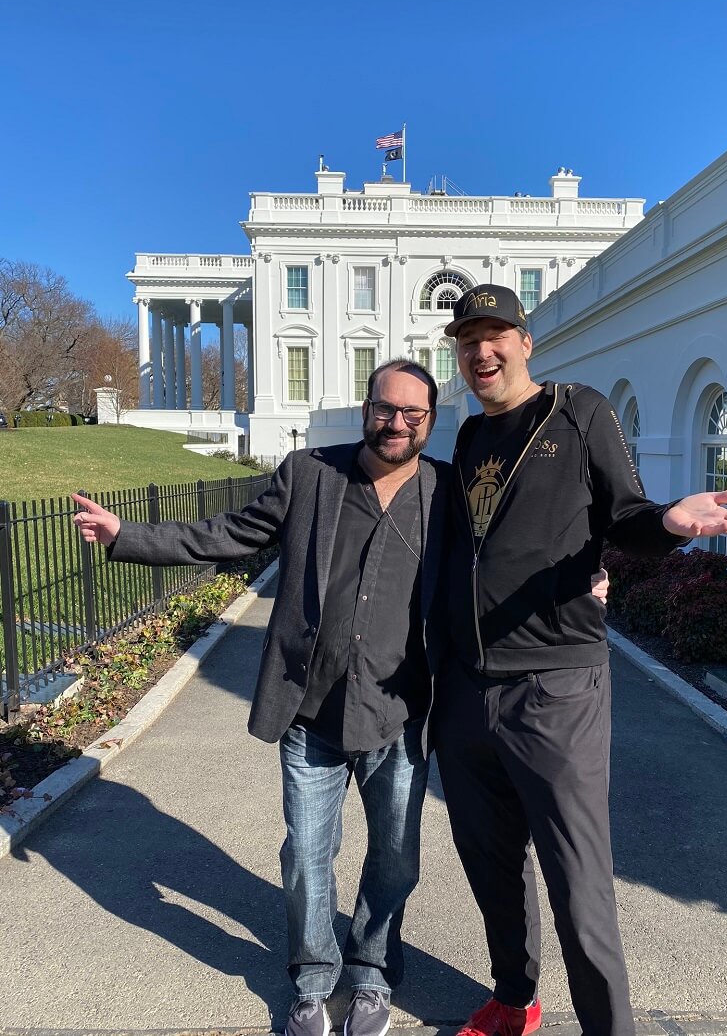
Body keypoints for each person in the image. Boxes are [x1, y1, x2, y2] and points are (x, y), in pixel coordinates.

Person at [72, 359, 450, 1036]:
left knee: (395, 856)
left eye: (411, 414)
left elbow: (507, 563)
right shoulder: (311, 474)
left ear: (429, 421)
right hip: (311, 711)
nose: (395, 423)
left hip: (400, 715)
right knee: (306, 855)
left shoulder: (446, 495)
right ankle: (311, 980)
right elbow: (229, 534)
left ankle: (371, 972)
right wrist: (127, 536)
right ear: (367, 407)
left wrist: (587, 579)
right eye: (385, 409)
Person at [433, 284, 727, 1036]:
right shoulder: (468, 437)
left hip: (555, 690)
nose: (480, 351)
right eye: (467, 340)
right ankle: (514, 997)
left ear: (524, 342)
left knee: (580, 887)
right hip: (467, 690)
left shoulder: (579, 412)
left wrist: (671, 524)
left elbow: (626, 514)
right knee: (492, 865)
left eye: (494, 335)